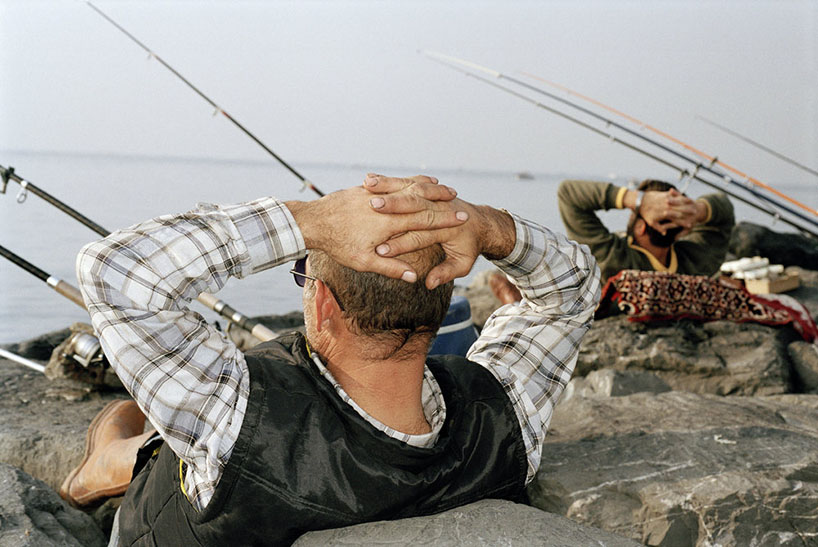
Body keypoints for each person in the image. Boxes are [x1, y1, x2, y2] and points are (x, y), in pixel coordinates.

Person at [64, 174, 600, 546]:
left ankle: (106, 464)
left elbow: (115, 272)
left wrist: (310, 220)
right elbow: (574, 285)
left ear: (321, 304)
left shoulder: (234, 419)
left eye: (304, 275)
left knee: (172, 447)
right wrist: (489, 227)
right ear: (439, 304)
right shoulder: (507, 415)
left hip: (164, 523)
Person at [557, 178, 735, 282]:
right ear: (683, 229)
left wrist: (635, 200)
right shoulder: (696, 261)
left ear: (641, 227)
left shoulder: (608, 256)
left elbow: (568, 194)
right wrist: (698, 211)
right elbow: (724, 213)